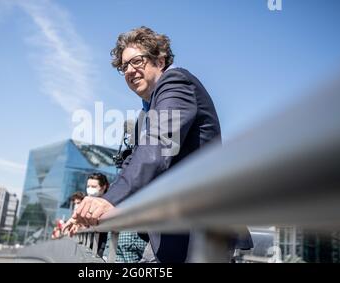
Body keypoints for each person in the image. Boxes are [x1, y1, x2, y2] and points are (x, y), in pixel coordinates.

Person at [64, 26, 253, 262]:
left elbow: (156, 149)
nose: (129, 71)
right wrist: (93, 208)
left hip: (199, 232)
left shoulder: (176, 83)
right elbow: (136, 159)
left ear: (160, 60)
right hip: (171, 231)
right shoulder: (148, 111)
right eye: (124, 66)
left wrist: (105, 201)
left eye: (137, 61)